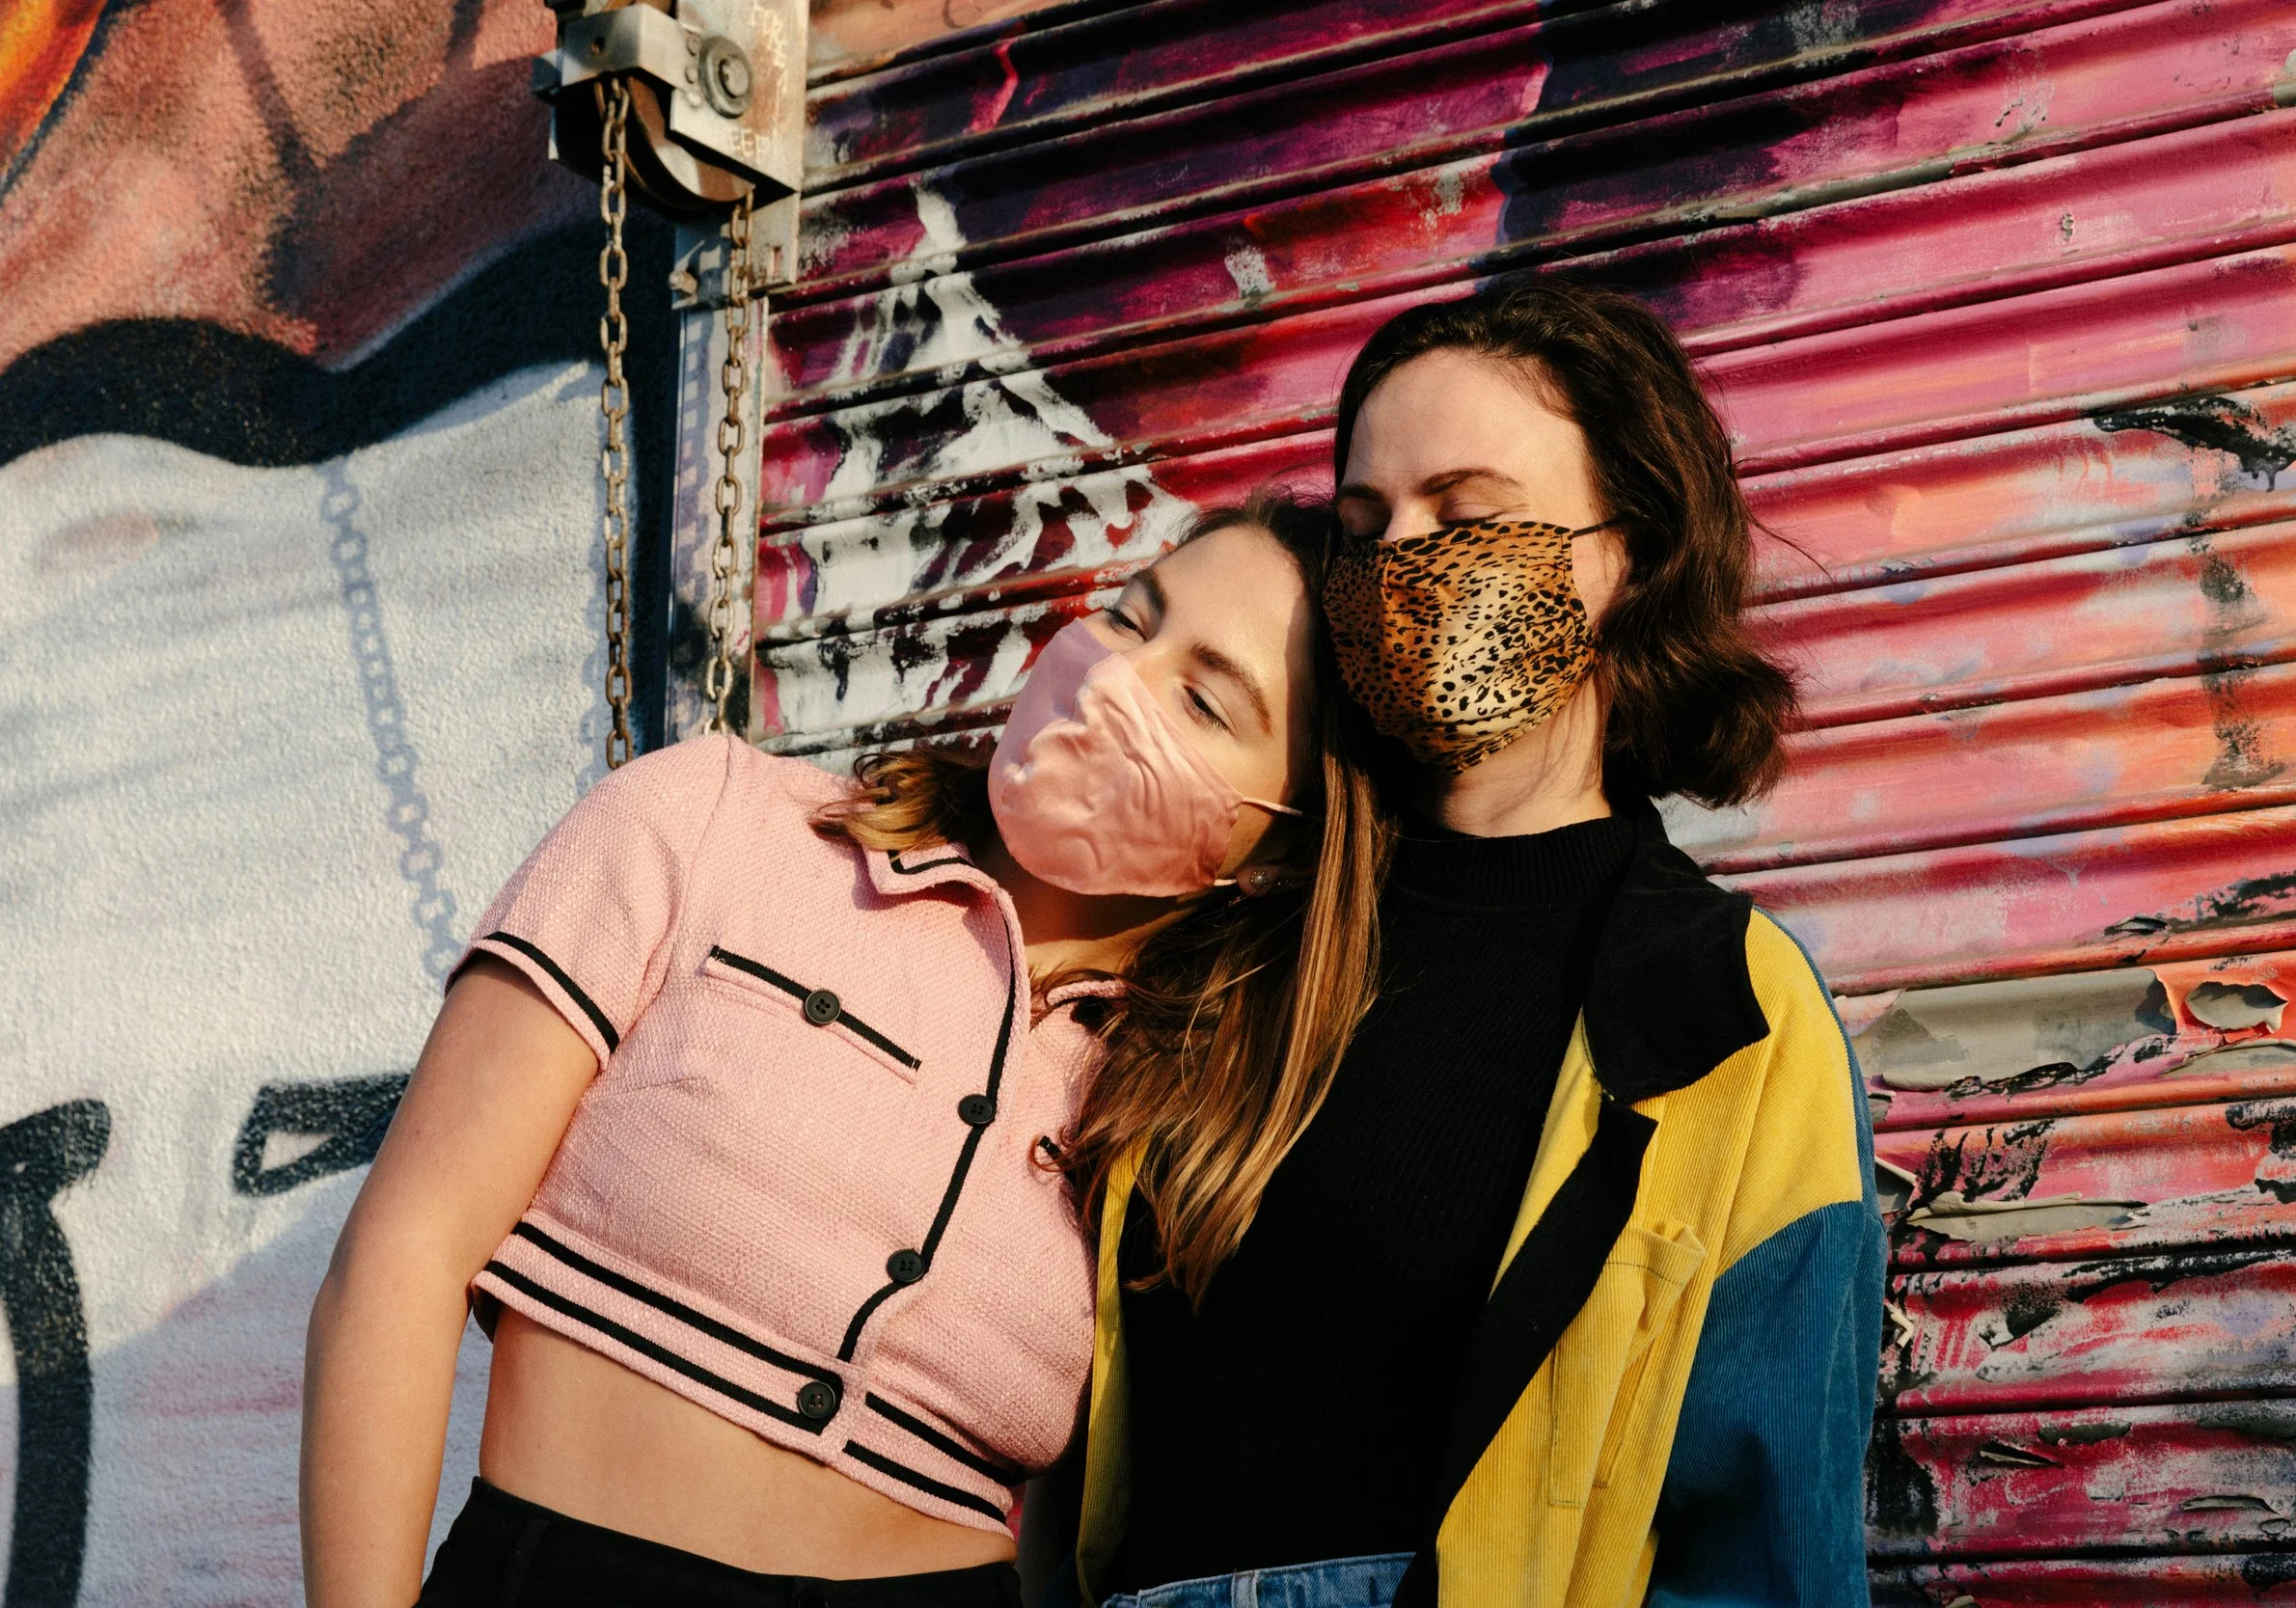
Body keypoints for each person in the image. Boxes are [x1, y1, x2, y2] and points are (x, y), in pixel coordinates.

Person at [298, 493, 1393, 1608]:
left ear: (1278, 848)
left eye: (1202, 698)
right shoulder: (714, 819)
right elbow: (404, 1249)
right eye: (1130, 616)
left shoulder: (1204, 1112)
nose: (1117, 677)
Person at [1069, 279, 1885, 1608]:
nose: (1400, 560)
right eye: (1363, 525)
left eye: (1465, 514)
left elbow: (1765, 1540)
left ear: (1629, 554)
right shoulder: (1238, 932)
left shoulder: (1725, 1008)